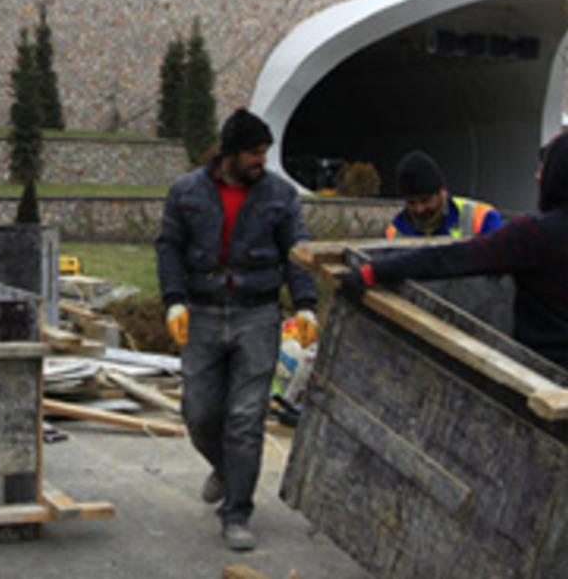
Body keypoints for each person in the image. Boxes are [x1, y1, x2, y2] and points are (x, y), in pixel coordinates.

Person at [155, 107, 317, 551]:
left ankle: (238, 512)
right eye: (253, 153)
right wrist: (173, 302)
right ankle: (226, 470)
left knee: (246, 417)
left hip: (257, 314)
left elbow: (297, 251)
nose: (260, 161)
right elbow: (169, 247)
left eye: (265, 153)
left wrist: (305, 306)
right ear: (229, 153)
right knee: (200, 412)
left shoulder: (280, 196)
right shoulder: (185, 191)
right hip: (203, 313)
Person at [341, 132, 568, 370]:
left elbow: (453, 259)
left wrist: (372, 272)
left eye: (544, 169)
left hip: (547, 373)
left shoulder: (535, 235)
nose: (536, 176)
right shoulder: (537, 233)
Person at [386, 150, 502, 239]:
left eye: (425, 200)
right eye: (411, 203)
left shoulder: (482, 218)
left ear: (442, 191)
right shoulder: (395, 232)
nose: (419, 209)